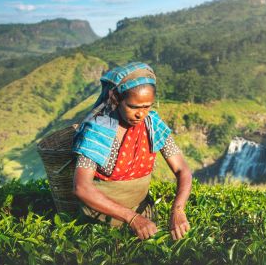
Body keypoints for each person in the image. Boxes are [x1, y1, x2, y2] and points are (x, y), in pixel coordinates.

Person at [72, 62, 192, 240]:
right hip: (99, 223)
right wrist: (132, 218)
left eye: (147, 106)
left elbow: (183, 170)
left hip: (144, 219)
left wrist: (178, 210)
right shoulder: (98, 130)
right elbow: (82, 188)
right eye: (133, 107)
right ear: (116, 99)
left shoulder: (152, 124)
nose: (140, 114)